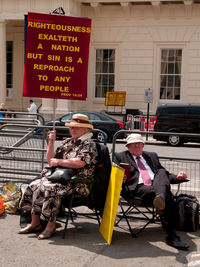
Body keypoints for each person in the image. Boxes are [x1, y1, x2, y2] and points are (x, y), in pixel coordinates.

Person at [18, 113, 97, 240]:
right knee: (34, 185)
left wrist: (59, 162)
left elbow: (80, 163)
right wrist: (51, 141)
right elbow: (50, 160)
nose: (73, 129)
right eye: (71, 127)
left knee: (51, 188)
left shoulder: (89, 144)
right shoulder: (68, 142)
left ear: (85, 129)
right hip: (60, 178)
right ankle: (35, 223)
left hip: (79, 183)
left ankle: (51, 226)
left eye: (77, 127)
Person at [113, 133, 189, 250]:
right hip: (137, 189)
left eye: (139, 144)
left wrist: (178, 177)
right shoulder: (120, 156)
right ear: (128, 146)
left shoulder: (152, 156)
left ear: (143, 145)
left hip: (156, 187)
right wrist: (119, 177)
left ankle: (161, 198)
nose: (137, 146)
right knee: (167, 195)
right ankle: (172, 236)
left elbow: (166, 175)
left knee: (161, 172)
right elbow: (112, 175)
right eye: (133, 144)